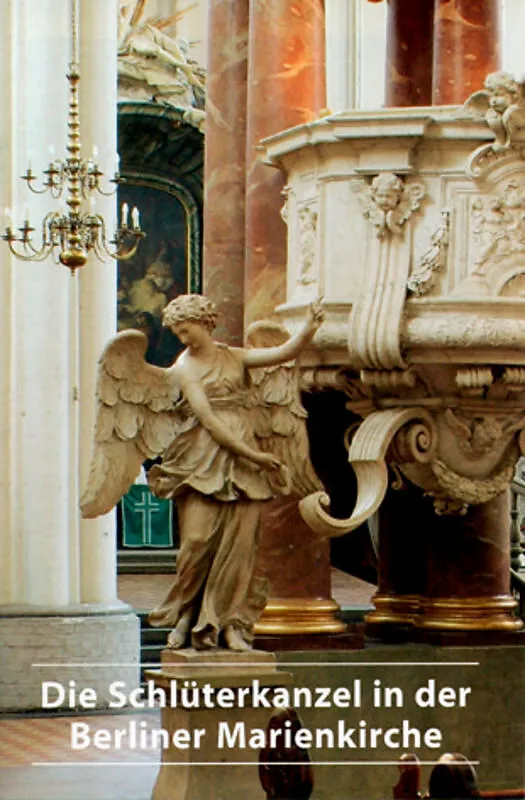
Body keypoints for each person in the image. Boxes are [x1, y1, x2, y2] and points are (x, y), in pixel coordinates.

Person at [147, 294, 323, 651]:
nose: (183, 338)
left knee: (240, 548)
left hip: (243, 457)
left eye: (186, 329)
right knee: (197, 542)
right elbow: (209, 420)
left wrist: (309, 327)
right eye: (178, 333)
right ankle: (185, 617)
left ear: (205, 323)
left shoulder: (234, 357)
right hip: (205, 455)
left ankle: (230, 625)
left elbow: (283, 353)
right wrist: (255, 456)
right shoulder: (184, 368)